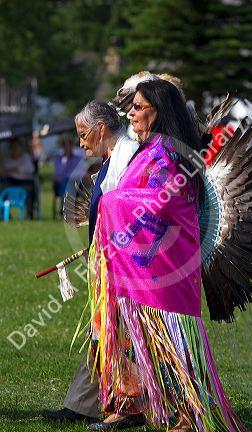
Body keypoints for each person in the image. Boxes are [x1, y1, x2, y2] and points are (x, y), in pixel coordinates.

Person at [86, 80, 248, 431]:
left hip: (165, 273)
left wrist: (109, 203)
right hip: (149, 270)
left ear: (159, 112)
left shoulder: (167, 155)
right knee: (147, 345)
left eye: (140, 106)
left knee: (173, 348)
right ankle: (141, 407)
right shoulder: (149, 152)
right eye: (132, 106)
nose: (131, 112)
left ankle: (190, 415)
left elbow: (161, 202)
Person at [43, 101, 139, 423]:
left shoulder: (128, 157)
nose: (81, 142)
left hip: (125, 268)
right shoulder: (113, 158)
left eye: (84, 135)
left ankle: (128, 407)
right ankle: (84, 405)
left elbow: (134, 213)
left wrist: (113, 248)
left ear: (101, 129)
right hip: (109, 263)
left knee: (116, 336)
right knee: (105, 333)